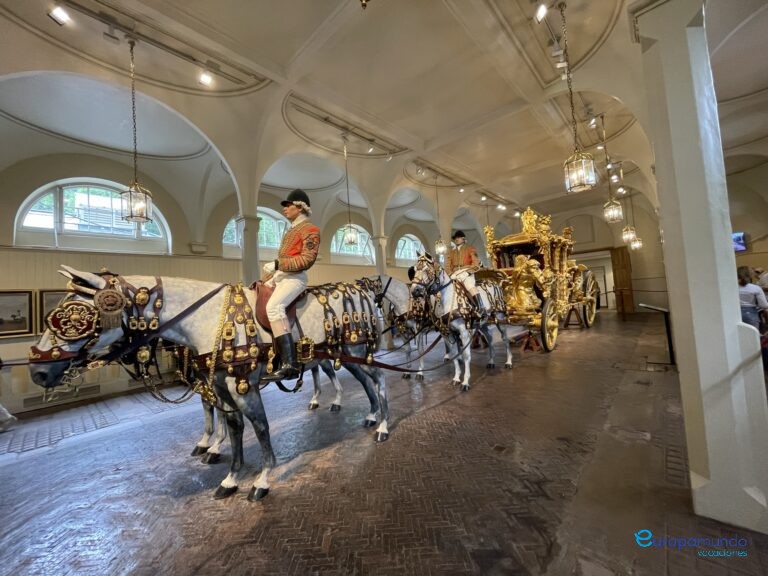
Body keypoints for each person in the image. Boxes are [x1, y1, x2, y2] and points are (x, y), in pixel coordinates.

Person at [261, 189, 321, 382]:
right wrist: (274, 272)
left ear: (301, 207)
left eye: (289, 205)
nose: (285, 209)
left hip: (295, 278)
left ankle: (290, 364)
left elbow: (306, 260)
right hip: (281, 276)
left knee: (274, 307)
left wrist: (278, 264)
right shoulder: (291, 230)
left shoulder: (310, 230)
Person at [446, 230, 486, 317]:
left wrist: (468, 272)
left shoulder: (470, 248)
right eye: (455, 238)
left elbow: (476, 263)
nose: (456, 239)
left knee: (469, 285)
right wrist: (450, 274)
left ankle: (480, 307)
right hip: (455, 273)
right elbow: (447, 266)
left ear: (463, 239)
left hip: (467, 271)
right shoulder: (451, 252)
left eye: (458, 238)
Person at [738, 266, 768, 331]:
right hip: (751, 314)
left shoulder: (732, 287)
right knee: (753, 337)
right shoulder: (755, 288)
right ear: (750, 275)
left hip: (736, 314)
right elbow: (764, 305)